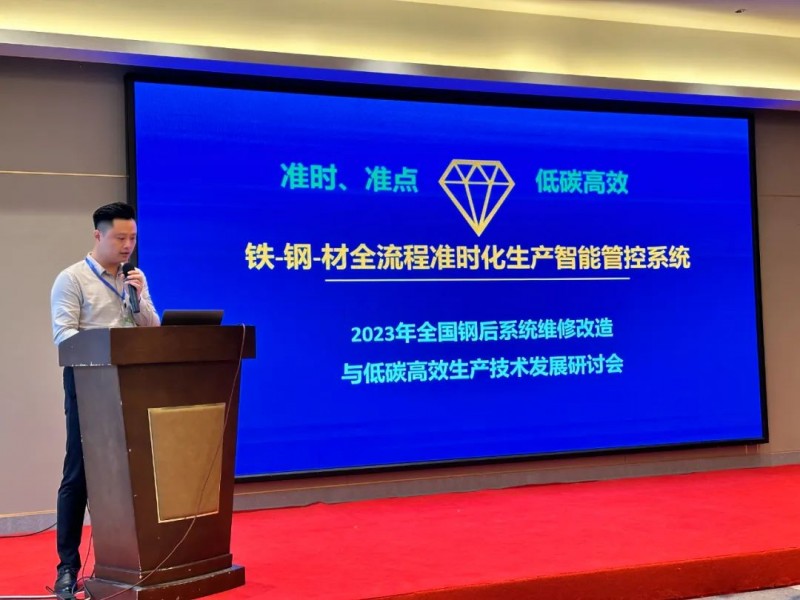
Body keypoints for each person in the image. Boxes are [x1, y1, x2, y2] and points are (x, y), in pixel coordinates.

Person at [50, 202, 160, 599]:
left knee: (134, 476)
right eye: (120, 238)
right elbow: (63, 336)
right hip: (89, 385)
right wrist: (107, 347)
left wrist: (141, 297)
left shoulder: (134, 279)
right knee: (78, 474)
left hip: (133, 384)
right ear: (98, 235)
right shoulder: (72, 279)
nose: (128, 245)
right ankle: (67, 567)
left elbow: (152, 329)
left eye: (133, 238)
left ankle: (130, 563)